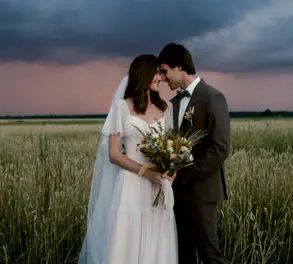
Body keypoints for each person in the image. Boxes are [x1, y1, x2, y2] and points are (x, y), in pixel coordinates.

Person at [78, 54, 178, 264]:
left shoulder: (165, 108)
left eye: (161, 73)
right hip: (131, 186)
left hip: (158, 187)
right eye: (156, 73)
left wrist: (172, 169)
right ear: (143, 74)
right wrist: (146, 172)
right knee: (127, 243)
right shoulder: (121, 108)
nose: (160, 78)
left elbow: (171, 146)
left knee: (156, 240)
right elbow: (114, 154)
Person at [158, 42, 230, 264]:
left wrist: (186, 174)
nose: (161, 77)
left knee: (210, 256)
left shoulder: (212, 97)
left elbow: (220, 148)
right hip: (176, 193)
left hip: (202, 192)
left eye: (164, 70)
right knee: (183, 254)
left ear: (179, 67)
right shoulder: (172, 104)